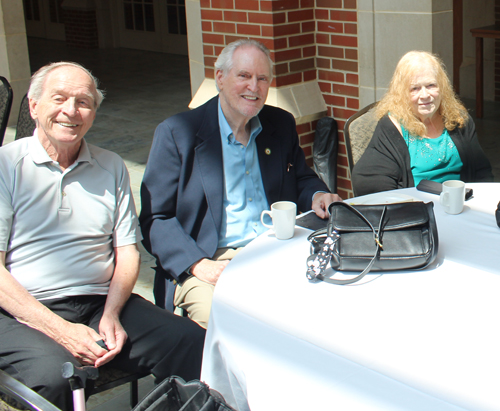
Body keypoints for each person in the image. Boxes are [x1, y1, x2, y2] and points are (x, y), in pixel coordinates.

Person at [0, 62, 205, 410]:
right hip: (22, 310)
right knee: (56, 378)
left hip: (98, 302)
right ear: (34, 107)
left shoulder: (111, 166)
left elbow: (127, 253)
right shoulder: (6, 166)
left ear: (93, 112)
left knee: (190, 342)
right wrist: (59, 330)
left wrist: (111, 314)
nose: (71, 110)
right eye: (59, 98)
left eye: (84, 102)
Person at [140, 39, 342, 329]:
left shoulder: (280, 124)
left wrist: (318, 194)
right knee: (226, 324)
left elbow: (299, 176)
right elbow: (155, 218)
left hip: (275, 247)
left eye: (262, 79)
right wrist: (198, 264)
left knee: (328, 303)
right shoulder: (178, 133)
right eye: (244, 76)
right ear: (220, 77)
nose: (254, 87)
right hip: (210, 259)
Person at [351, 50, 493, 196]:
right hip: (416, 211)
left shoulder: (458, 120)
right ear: (402, 93)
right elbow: (368, 182)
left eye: (431, 85)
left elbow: (482, 171)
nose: (425, 95)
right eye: (415, 88)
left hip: (459, 206)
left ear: (442, 87)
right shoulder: (392, 127)